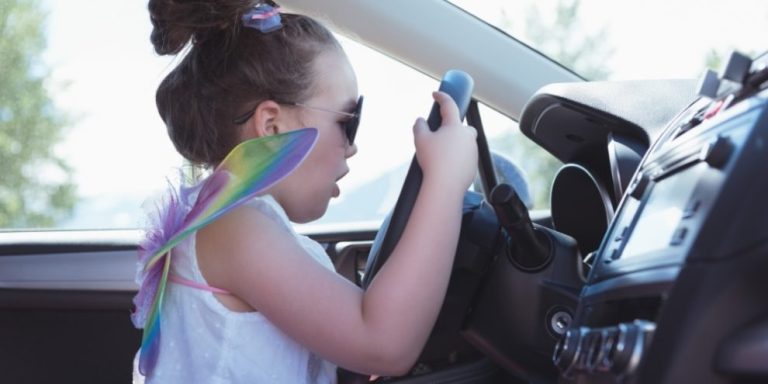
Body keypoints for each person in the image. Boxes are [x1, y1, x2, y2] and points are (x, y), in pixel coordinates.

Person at [131, 0, 478, 382]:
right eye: (348, 122)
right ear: (273, 126)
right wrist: (444, 182)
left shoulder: (230, 220)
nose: (352, 147)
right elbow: (383, 345)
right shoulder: (236, 227)